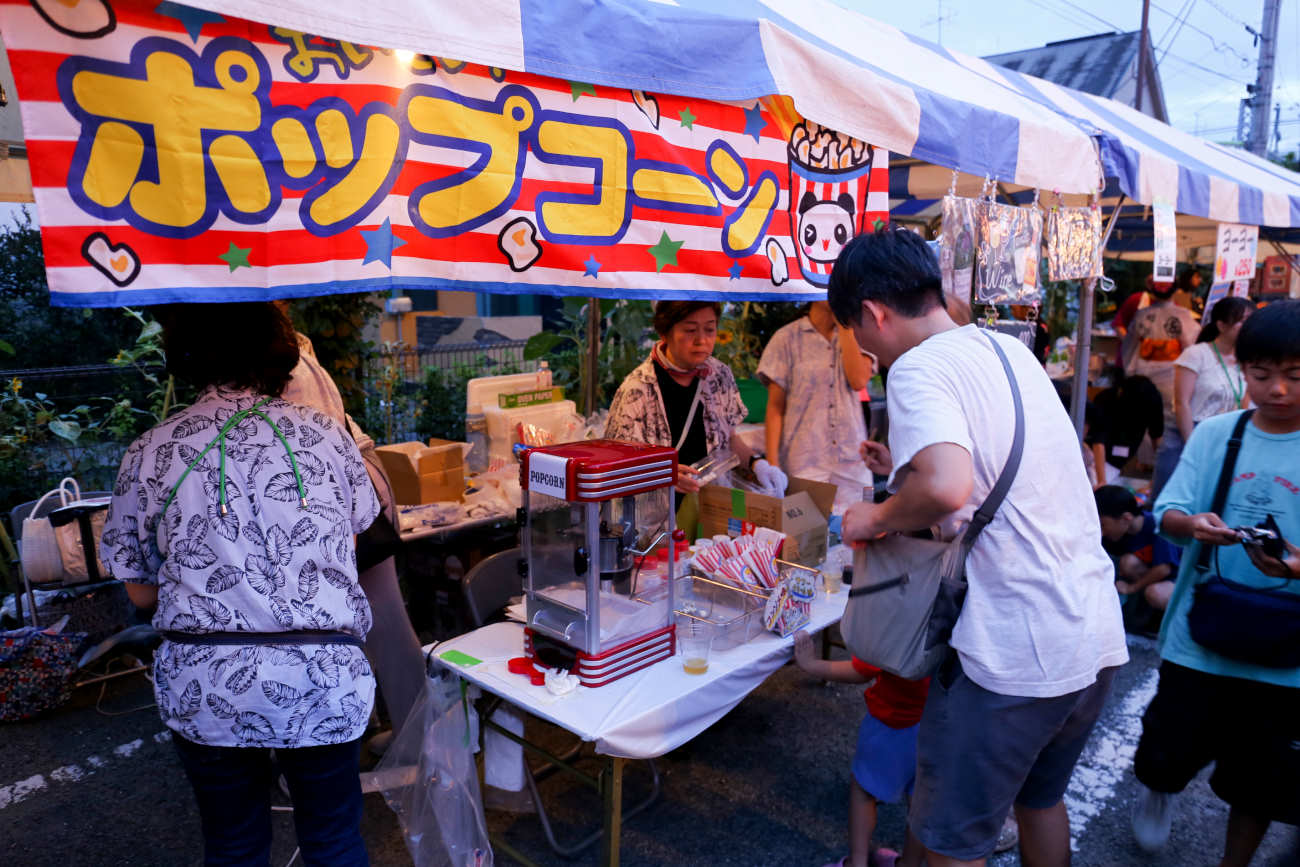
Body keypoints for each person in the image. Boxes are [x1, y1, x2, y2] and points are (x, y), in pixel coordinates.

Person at [827, 225, 1128, 867]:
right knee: (1040, 803)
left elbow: (947, 487)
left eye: (857, 332)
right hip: (1093, 629)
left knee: (951, 839)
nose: (865, 350)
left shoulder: (916, 368)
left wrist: (873, 516)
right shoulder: (1007, 350)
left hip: (1013, 652)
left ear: (874, 312)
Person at [100, 302, 378, 865]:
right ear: (278, 349)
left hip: (207, 687)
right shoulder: (328, 435)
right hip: (324, 678)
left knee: (233, 844)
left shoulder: (149, 450)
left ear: (183, 351)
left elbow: (139, 592)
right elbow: (345, 552)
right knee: (334, 840)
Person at [1130, 300, 1300, 867]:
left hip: (1287, 650)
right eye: (1261, 375)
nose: (1277, 389)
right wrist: (1193, 525)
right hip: (1201, 635)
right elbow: (1169, 512)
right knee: (1165, 750)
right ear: (1241, 369)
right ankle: (1158, 792)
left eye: (1295, 376)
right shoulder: (1218, 435)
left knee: (1261, 779)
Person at [280, 324, 424, 742]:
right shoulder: (297, 344)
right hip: (355, 480)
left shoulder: (285, 358)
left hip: (340, 491)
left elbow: (314, 450)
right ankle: (410, 739)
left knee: (359, 623)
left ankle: (410, 743)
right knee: (379, 620)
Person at [606, 300, 778, 495]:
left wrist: (758, 464)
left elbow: (729, 439)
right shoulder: (637, 389)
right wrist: (662, 475)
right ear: (665, 333)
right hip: (656, 515)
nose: (701, 340)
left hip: (711, 508)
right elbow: (617, 465)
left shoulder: (720, 375)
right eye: (690, 330)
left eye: (710, 330)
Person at [793, 630, 927, 867]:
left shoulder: (905, 621)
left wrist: (812, 665)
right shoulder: (953, 617)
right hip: (935, 726)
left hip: (892, 722)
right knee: (921, 801)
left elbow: (860, 670)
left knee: (864, 790)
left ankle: (858, 862)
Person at [757, 300, 873, 510]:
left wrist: (845, 327)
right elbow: (775, 408)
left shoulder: (859, 334)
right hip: (803, 461)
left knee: (856, 536)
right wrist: (773, 465)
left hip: (852, 464)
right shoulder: (786, 338)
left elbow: (858, 381)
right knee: (807, 536)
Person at [1122, 271, 1201, 499]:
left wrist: (1131, 372)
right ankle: (1162, 468)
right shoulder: (1183, 315)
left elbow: (1129, 348)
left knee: (1147, 420)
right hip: (1173, 372)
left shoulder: (1142, 315)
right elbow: (1191, 346)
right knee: (1166, 424)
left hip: (1146, 371)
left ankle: (1147, 463)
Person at [1172, 296, 1253, 444]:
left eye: (1250, 321)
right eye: (1242, 321)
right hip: (1194, 432)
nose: (1248, 327)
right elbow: (1181, 403)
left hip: (1227, 435)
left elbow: (1244, 406)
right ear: (1221, 326)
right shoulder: (1196, 354)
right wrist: (1192, 445)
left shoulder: (1247, 359)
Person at [1094, 484, 1181, 621]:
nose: (1101, 532)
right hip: (1157, 577)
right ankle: (1146, 612)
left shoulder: (1157, 524)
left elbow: (1163, 569)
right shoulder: (1122, 531)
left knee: (1155, 593)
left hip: (1179, 580)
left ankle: (1167, 621)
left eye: (1103, 525)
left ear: (1126, 518)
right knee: (1128, 563)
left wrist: (1131, 588)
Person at [1084, 367, 1165, 487]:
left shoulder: (1152, 401)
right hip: (1094, 454)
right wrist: (1102, 481)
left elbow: (1156, 438)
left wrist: (1161, 474)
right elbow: (1098, 441)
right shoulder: (1106, 399)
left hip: (1117, 460)